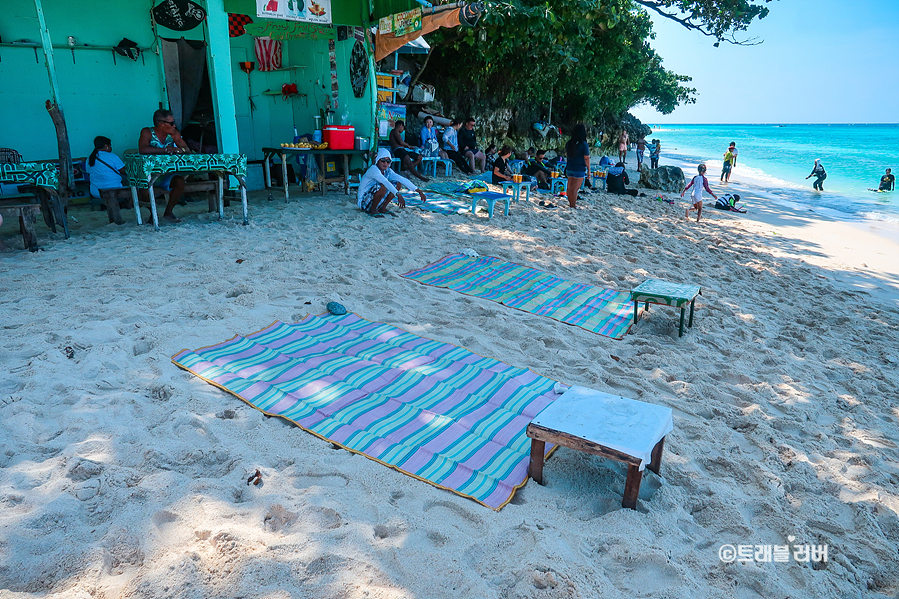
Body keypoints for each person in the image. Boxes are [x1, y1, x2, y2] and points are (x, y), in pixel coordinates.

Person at [138, 109, 190, 223]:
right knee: (143, 187)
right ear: (161, 124)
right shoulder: (147, 132)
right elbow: (143, 149)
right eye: (171, 123)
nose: (174, 125)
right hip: (148, 174)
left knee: (180, 181)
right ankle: (153, 213)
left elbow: (186, 149)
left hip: (166, 174)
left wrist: (179, 150)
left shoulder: (174, 134)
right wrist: (165, 150)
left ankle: (168, 212)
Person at [357, 148, 425, 218]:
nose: (385, 163)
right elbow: (385, 182)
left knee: (397, 184)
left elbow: (401, 179)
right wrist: (398, 194)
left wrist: (418, 190)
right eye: (383, 161)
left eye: (388, 161)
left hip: (372, 198)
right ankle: (372, 210)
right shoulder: (374, 169)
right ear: (377, 160)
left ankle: (382, 208)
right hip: (363, 202)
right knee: (383, 186)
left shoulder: (388, 171)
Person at [565, 124, 590, 208]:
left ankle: (570, 203)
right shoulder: (583, 144)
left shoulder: (569, 143)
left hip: (569, 167)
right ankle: (573, 205)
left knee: (570, 187)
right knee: (575, 189)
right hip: (579, 168)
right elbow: (586, 158)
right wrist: (589, 170)